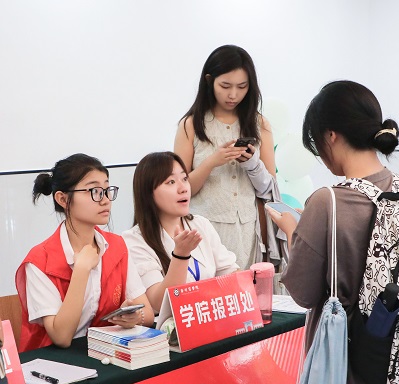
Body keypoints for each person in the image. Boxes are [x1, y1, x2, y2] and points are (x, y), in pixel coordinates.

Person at [267, 80, 399, 384]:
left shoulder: (328, 202)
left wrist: (294, 232)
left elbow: (303, 292)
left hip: (346, 380)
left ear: (331, 135)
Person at [15, 154, 154, 353]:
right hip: (56, 362)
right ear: (63, 199)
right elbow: (61, 337)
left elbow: (147, 312)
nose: (105, 200)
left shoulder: (116, 246)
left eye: (107, 190)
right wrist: (81, 270)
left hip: (105, 352)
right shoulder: (39, 261)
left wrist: (135, 318)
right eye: (94, 191)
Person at [174, 45, 279, 271]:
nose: (233, 95)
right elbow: (180, 190)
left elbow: (270, 189)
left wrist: (252, 164)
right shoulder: (191, 125)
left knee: (245, 289)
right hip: (203, 230)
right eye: (225, 86)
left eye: (242, 87)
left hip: (247, 231)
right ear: (209, 81)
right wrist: (212, 161)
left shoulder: (260, 124)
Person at [122, 151, 239, 313]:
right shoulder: (134, 240)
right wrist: (181, 255)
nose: (183, 188)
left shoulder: (200, 224)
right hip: (169, 326)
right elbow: (158, 303)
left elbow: (230, 272)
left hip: (209, 316)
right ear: (148, 192)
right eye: (170, 182)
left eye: (184, 179)